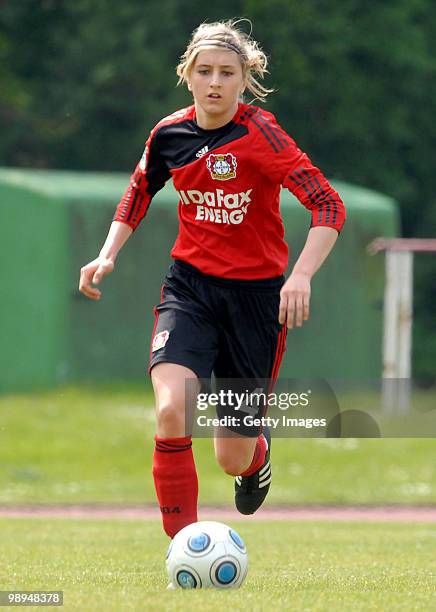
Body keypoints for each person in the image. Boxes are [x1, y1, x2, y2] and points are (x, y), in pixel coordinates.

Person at [79, 19, 346, 540]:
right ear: (187, 76)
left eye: (227, 72)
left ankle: (256, 454)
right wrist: (106, 254)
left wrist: (302, 275)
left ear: (245, 80)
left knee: (231, 456)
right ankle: (184, 545)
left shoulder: (262, 134)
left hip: (257, 302)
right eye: (204, 71)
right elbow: (139, 191)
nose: (215, 81)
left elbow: (327, 204)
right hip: (191, 290)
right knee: (173, 407)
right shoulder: (169, 133)